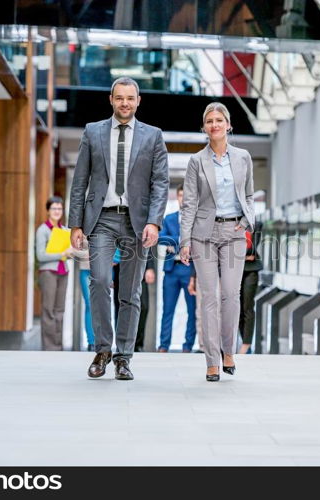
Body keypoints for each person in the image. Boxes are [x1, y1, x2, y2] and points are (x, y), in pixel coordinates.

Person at [69, 76, 169, 381]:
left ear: (138, 101)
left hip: (137, 222)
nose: (125, 103)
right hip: (101, 218)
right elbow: (80, 181)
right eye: (119, 98)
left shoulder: (153, 136)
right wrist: (75, 224)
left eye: (130, 98)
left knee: (130, 292)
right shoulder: (93, 132)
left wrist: (154, 220)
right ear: (111, 100)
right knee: (99, 280)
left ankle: (124, 357)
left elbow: (160, 184)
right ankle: (102, 349)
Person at [179, 102, 255, 381]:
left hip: (234, 232)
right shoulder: (197, 161)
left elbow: (248, 195)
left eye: (219, 120)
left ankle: (228, 351)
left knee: (231, 296)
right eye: (209, 121)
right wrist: (184, 240)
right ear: (204, 128)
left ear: (228, 124)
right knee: (209, 297)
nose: (214, 125)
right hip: (204, 234)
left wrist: (247, 223)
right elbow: (189, 204)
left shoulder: (243, 157)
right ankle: (212, 360)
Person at [157, 184, 197, 353]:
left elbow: (198, 241)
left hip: (190, 270)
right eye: (180, 195)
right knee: (167, 310)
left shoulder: (198, 220)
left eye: (186, 196)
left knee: (192, 311)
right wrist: (182, 240)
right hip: (171, 270)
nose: (183, 199)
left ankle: (188, 346)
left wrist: (175, 242)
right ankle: (164, 345)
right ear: (177, 198)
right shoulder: (169, 218)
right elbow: (160, 237)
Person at [35, 196, 73, 351]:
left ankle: (58, 345)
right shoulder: (42, 230)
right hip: (48, 272)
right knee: (49, 310)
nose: (57, 211)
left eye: (59, 208)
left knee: (59, 310)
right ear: (48, 211)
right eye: (54, 208)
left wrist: (70, 253)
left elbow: (67, 252)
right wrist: (62, 253)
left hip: (63, 271)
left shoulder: (64, 230)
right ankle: (50, 347)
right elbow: (40, 255)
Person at [113, 247, 157, 352]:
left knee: (144, 306)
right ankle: (122, 343)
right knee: (120, 306)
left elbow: (147, 243)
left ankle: (137, 344)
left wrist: (149, 267)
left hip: (139, 265)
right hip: (119, 266)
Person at [238, 221, 263, 354]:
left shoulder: (256, 224)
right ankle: (244, 341)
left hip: (251, 270)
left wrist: (237, 252)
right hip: (234, 269)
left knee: (247, 306)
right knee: (237, 308)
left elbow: (252, 250)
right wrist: (244, 255)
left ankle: (246, 345)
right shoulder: (231, 223)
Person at [70, 237, 95, 351]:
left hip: (103, 270)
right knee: (90, 304)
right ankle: (91, 341)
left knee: (102, 305)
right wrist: (89, 254)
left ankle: (102, 339)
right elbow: (72, 249)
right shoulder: (80, 229)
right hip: (85, 270)